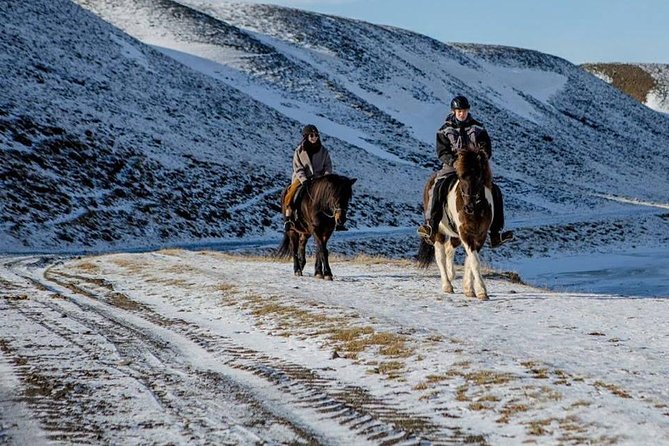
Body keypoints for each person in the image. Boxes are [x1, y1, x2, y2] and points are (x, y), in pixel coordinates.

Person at [417, 95, 513, 247]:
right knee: (437, 187)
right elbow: (442, 152)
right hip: (453, 166)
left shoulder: (478, 127)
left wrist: (482, 157)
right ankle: (432, 226)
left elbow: (486, 147)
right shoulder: (444, 130)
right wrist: (453, 162)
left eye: (464, 111)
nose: (462, 113)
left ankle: (496, 233)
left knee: (495, 190)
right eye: (459, 111)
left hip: (474, 166)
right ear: (454, 111)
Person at [283, 124, 346, 231]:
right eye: (311, 135)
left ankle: (337, 220)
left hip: (319, 179)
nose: (314, 137)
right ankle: (288, 217)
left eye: (316, 135)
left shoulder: (323, 151)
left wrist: (325, 178)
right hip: (302, 178)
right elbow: (297, 167)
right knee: (292, 192)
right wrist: (304, 180)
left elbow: (328, 166)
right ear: (306, 136)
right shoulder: (299, 151)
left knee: (334, 196)